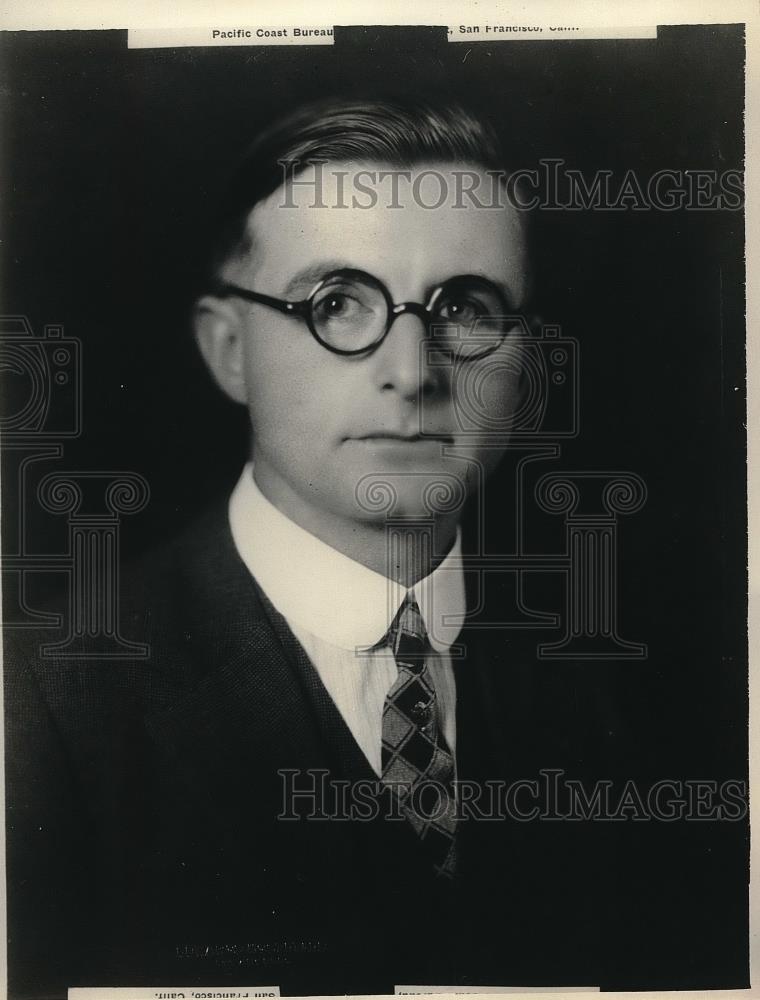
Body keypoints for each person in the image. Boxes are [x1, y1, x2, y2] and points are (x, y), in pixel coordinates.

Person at [1, 97, 665, 998]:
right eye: (336, 303)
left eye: (464, 306)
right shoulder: (38, 704)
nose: (413, 369)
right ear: (229, 349)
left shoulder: (632, 689)